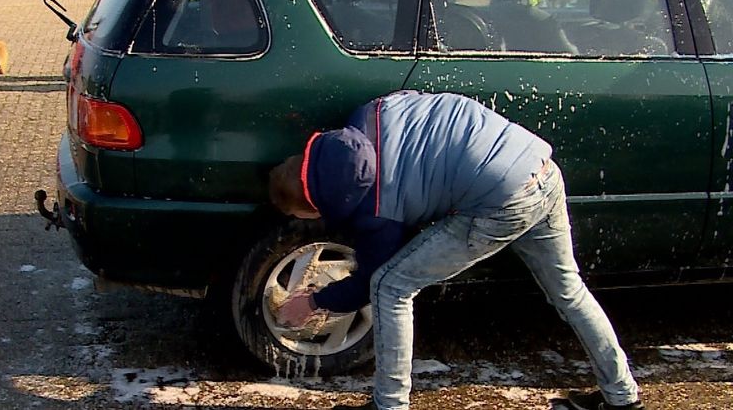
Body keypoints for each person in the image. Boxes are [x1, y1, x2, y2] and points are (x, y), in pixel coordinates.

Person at [267, 91, 643, 410]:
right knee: (569, 291)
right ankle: (622, 397)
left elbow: (369, 281)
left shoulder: (377, 209)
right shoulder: (370, 112)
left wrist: (313, 303)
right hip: (538, 165)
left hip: (500, 202)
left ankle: (390, 404)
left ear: (319, 205)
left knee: (390, 287)